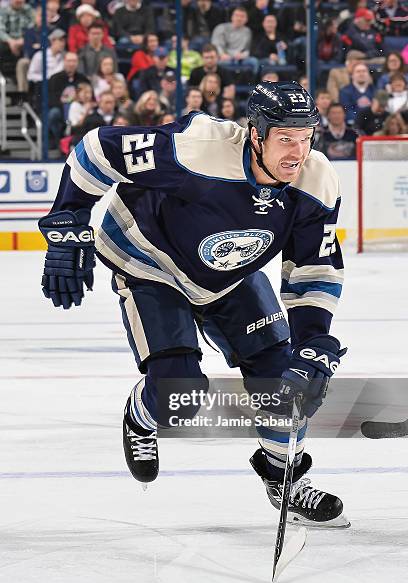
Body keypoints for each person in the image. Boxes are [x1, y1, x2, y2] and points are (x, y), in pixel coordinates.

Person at [38, 80, 349, 529]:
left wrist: (313, 339)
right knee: (178, 399)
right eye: (285, 138)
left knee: (285, 382)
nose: (297, 152)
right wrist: (67, 222)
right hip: (150, 260)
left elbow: (312, 269)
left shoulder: (316, 180)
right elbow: (95, 149)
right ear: (256, 134)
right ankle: (143, 413)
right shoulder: (197, 149)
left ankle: (285, 478)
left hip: (228, 275)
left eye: (305, 138)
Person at [48, 52, 89, 147]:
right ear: (64, 62)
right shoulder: (55, 78)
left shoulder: (82, 78)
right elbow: (52, 99)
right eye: (69, 61)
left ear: (77, 63)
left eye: (74, 61)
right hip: (61, 109)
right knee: (53, 113)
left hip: (78, 109)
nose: (71, 63)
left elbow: (89, 95)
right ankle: (57, 141)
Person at [211, 6, 258, 73]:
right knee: (216, 63)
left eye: (242, 16)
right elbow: (216, 45)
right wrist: (222, 54)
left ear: (246, 19)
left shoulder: (248, 31)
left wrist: (243, 55)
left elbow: (247, 49)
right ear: (232, 17)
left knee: (254, 61)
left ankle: (253, 82)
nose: (239, 18)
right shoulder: (221, 28)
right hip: (224, 58)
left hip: (240, 59)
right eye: (236, 15)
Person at [0, 0, 34, 76]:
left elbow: (32, 27)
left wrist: (23, 40)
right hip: (7, 41)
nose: (19, 1)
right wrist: (10, 41)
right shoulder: (3, 10)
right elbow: (0, 30)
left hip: (24, 41)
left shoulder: (28, 10)